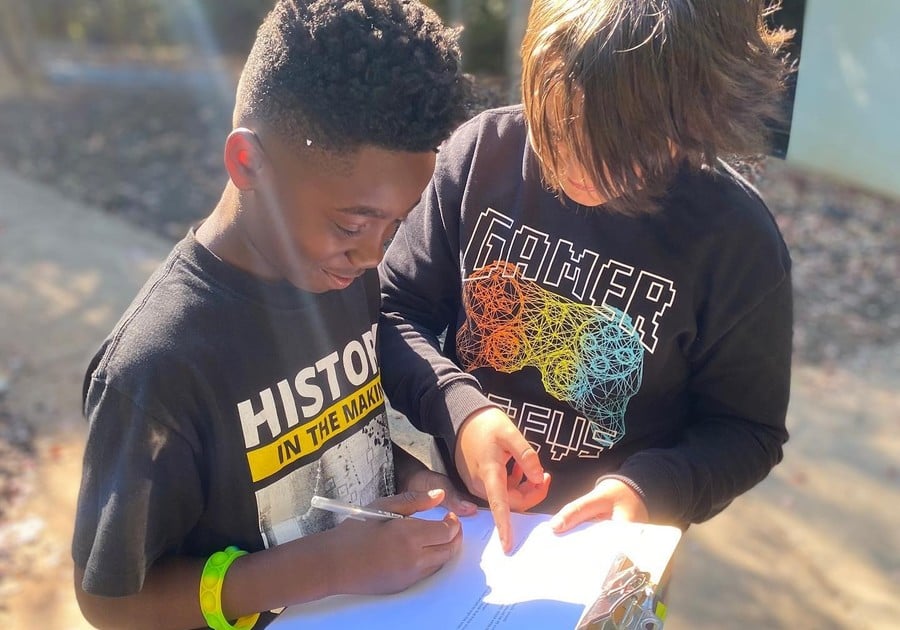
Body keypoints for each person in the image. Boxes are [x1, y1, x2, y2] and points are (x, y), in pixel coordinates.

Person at [72, 1, 474, 628]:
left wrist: (409, 473)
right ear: (246, 163)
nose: (375, 254)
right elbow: (108, 601)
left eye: (398, 223)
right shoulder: (156, 371)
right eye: (352, 223)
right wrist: (324, 569)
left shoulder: (338, 273)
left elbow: (339, 433)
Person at [379, 0, 793, 554]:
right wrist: (460, 410)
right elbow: (390, 309)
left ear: (698, 115)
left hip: (614, 556)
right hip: (467, 534)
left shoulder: (737, 243)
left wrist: (650, 490)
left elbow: (747, 432)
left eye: (620, 149)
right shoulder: (483, 158)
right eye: (557, 128)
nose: (577, 164)